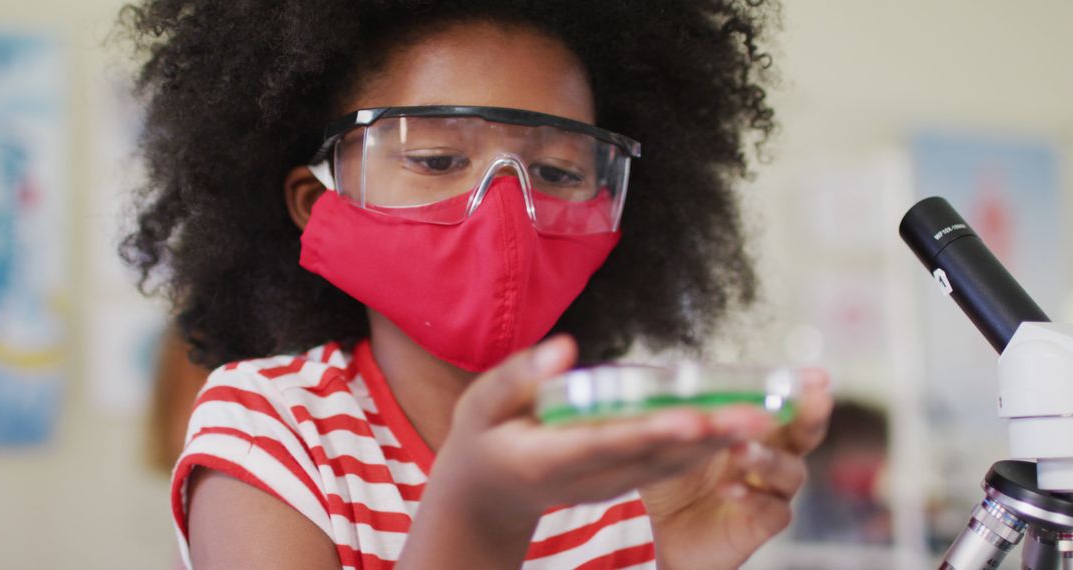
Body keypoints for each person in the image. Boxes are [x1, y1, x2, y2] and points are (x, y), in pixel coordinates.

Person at [118, 1, 833, 568]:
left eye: (556, 173)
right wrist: (480, 512)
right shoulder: (270, 428)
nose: (506, 212)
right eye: (435, 159)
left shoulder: (626, 463)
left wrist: (675, 561)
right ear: (317, 204)